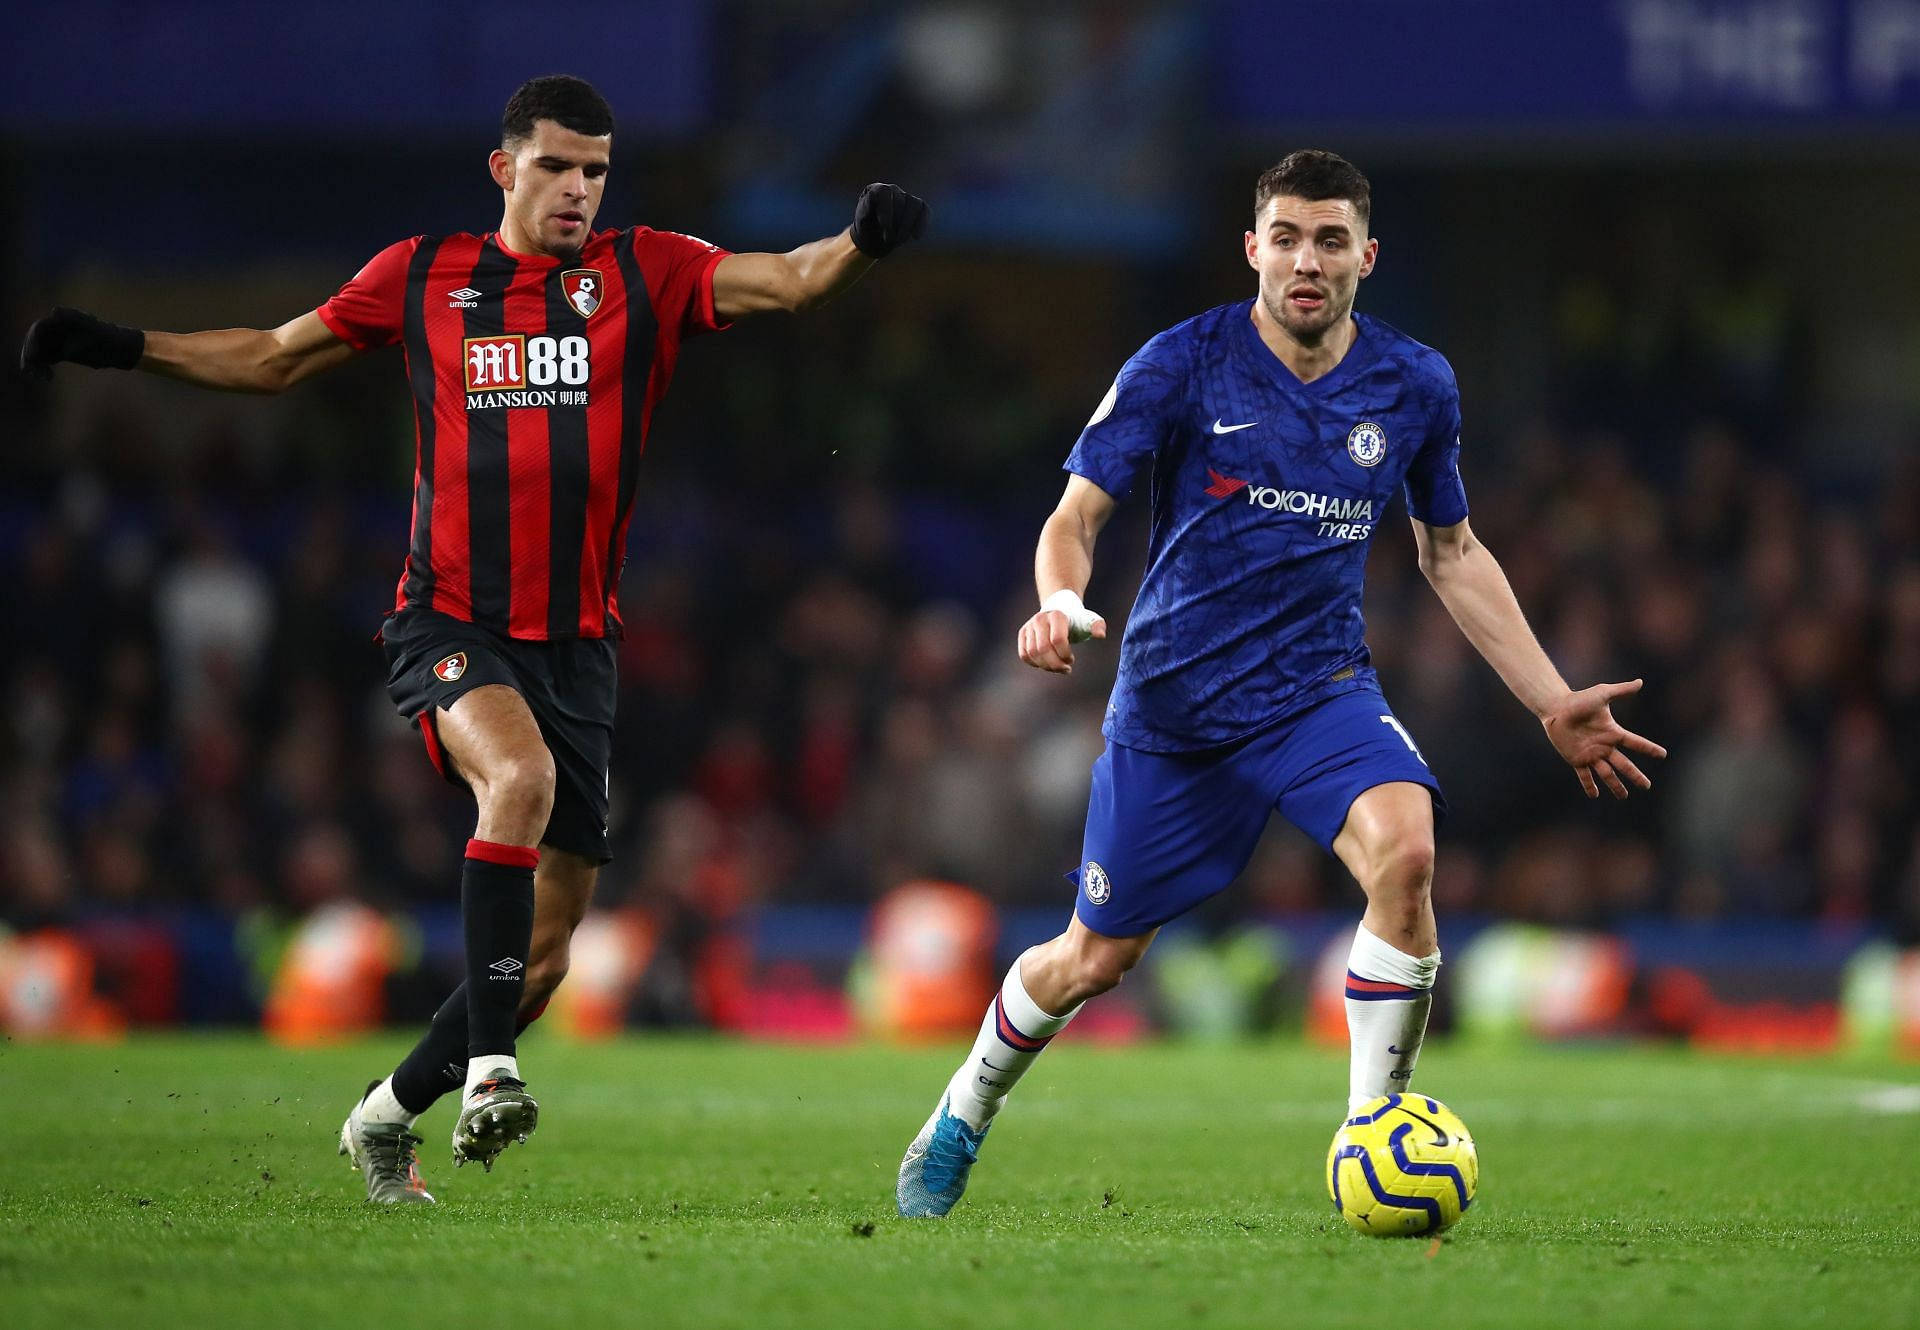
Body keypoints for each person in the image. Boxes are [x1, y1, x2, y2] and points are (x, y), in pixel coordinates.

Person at [22, 74, 928, 1205]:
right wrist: (119, 346)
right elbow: (270, 356)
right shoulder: (422, 278)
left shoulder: (646, 269)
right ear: (505, 168)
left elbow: (789, 282)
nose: (579, 190)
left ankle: (385, 1113)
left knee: (540, 961)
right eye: (556, 166)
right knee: (521, 777)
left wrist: (860, 240)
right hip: (451, 619)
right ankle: (493, 1069)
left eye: (596, 170)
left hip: (580, 645)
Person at [895, 149, 1662, 1218]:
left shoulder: (1414, 383)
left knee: (1407, 852)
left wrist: (1548, 695)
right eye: (1289, 238)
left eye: (1332, 239)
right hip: (1175, 705)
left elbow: (1452, 551)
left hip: (1318, 689)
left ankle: (1373, 1129)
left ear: (1367, 256)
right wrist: (1060, 600)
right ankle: (961, 1113)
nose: (1309, 260)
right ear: (1253, 248)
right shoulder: (1181, 362)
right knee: (1092, 958)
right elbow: (1075, 516)